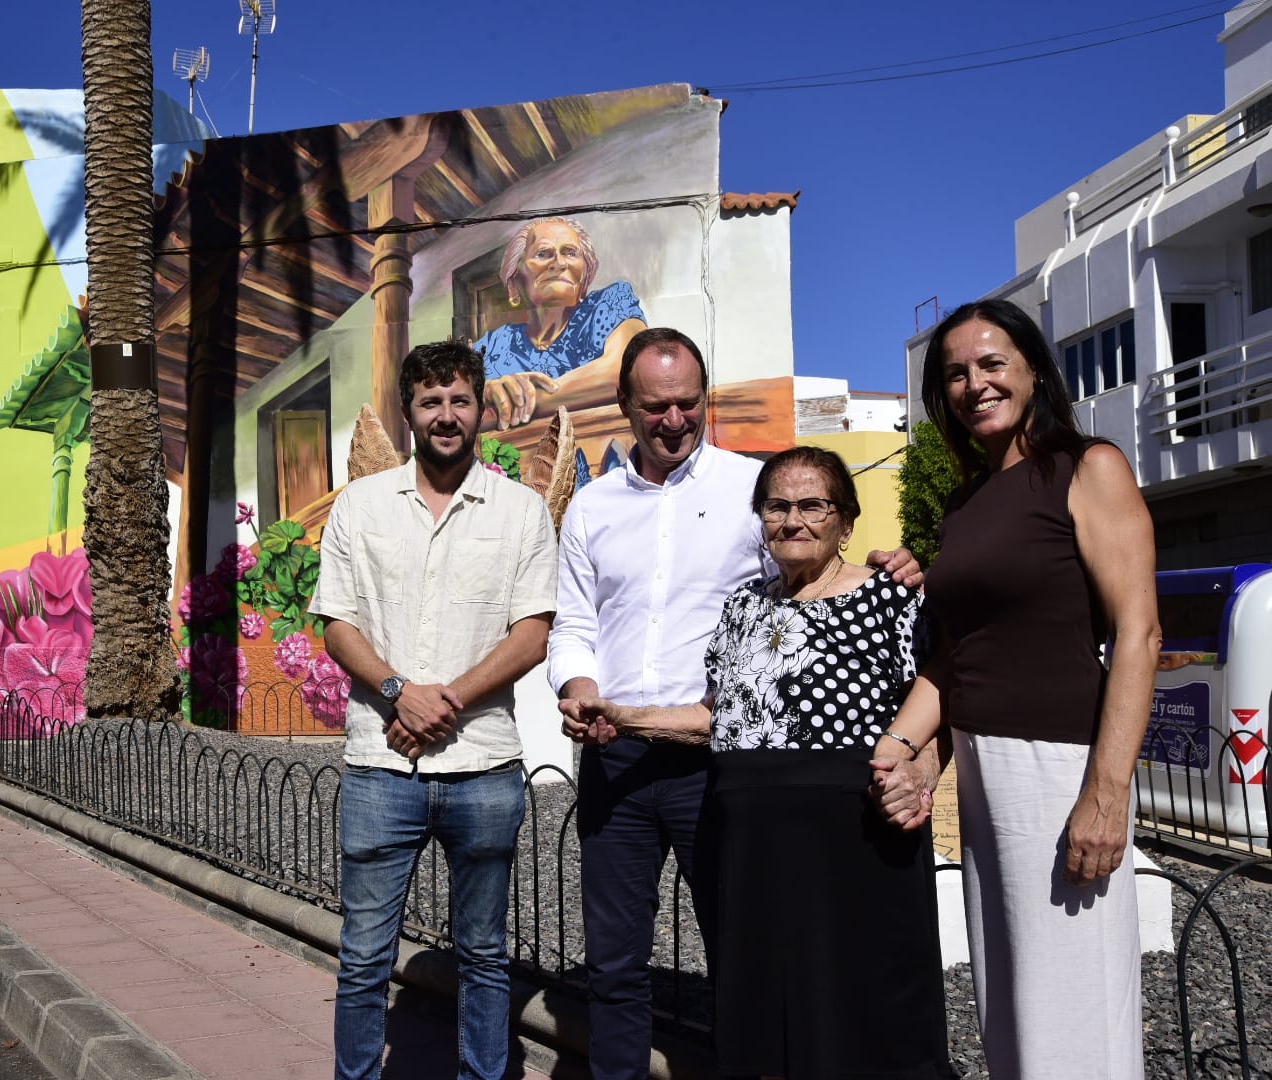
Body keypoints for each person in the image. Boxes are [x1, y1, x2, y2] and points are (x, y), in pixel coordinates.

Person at [547, 326, 923, 1080]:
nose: (675, 420)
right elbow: (577, 623)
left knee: (742, 947)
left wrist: (896, 562)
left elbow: (809, 572)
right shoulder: (591, 508)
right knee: (615, 961)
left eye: (689, 402)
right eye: (656, 407)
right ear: (625, 404)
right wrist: (579, 689)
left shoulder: (749, 492)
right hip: (613, 756)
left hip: (717, 760)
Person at [873, 298, 1161, 1080]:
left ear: (1033, 369)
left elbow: (1139, 633)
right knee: (1014, 998)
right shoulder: (966, 505)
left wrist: (1106, 793)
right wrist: (905, 748)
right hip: (985, 767)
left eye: (992, 363)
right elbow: (955, 654)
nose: (974, 384)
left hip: (1059, 766)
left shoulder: (1087, 467)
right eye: (955, 372)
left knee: (1074, 1007)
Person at [309, 339, 559, 1080]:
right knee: (362, 957)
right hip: (380, 766)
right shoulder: (360, 505)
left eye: (459, 401)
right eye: (431, 403)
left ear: (481, 409)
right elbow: (337, 623)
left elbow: (533, 633)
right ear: (408, 412)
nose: (446, 416)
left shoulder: (520, 512)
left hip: (483, 767)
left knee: (483, 954)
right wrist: (397, 691)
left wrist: (445, 699)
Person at [476, 217, 646, 430]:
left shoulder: (609, 304)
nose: (559, 262)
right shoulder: (494, 344)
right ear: (513, 284)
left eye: (570, 252)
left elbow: (628, 370)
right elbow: (452, 402)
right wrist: (483, 393)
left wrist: (521, 401)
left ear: (585, 277)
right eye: (543, 253)